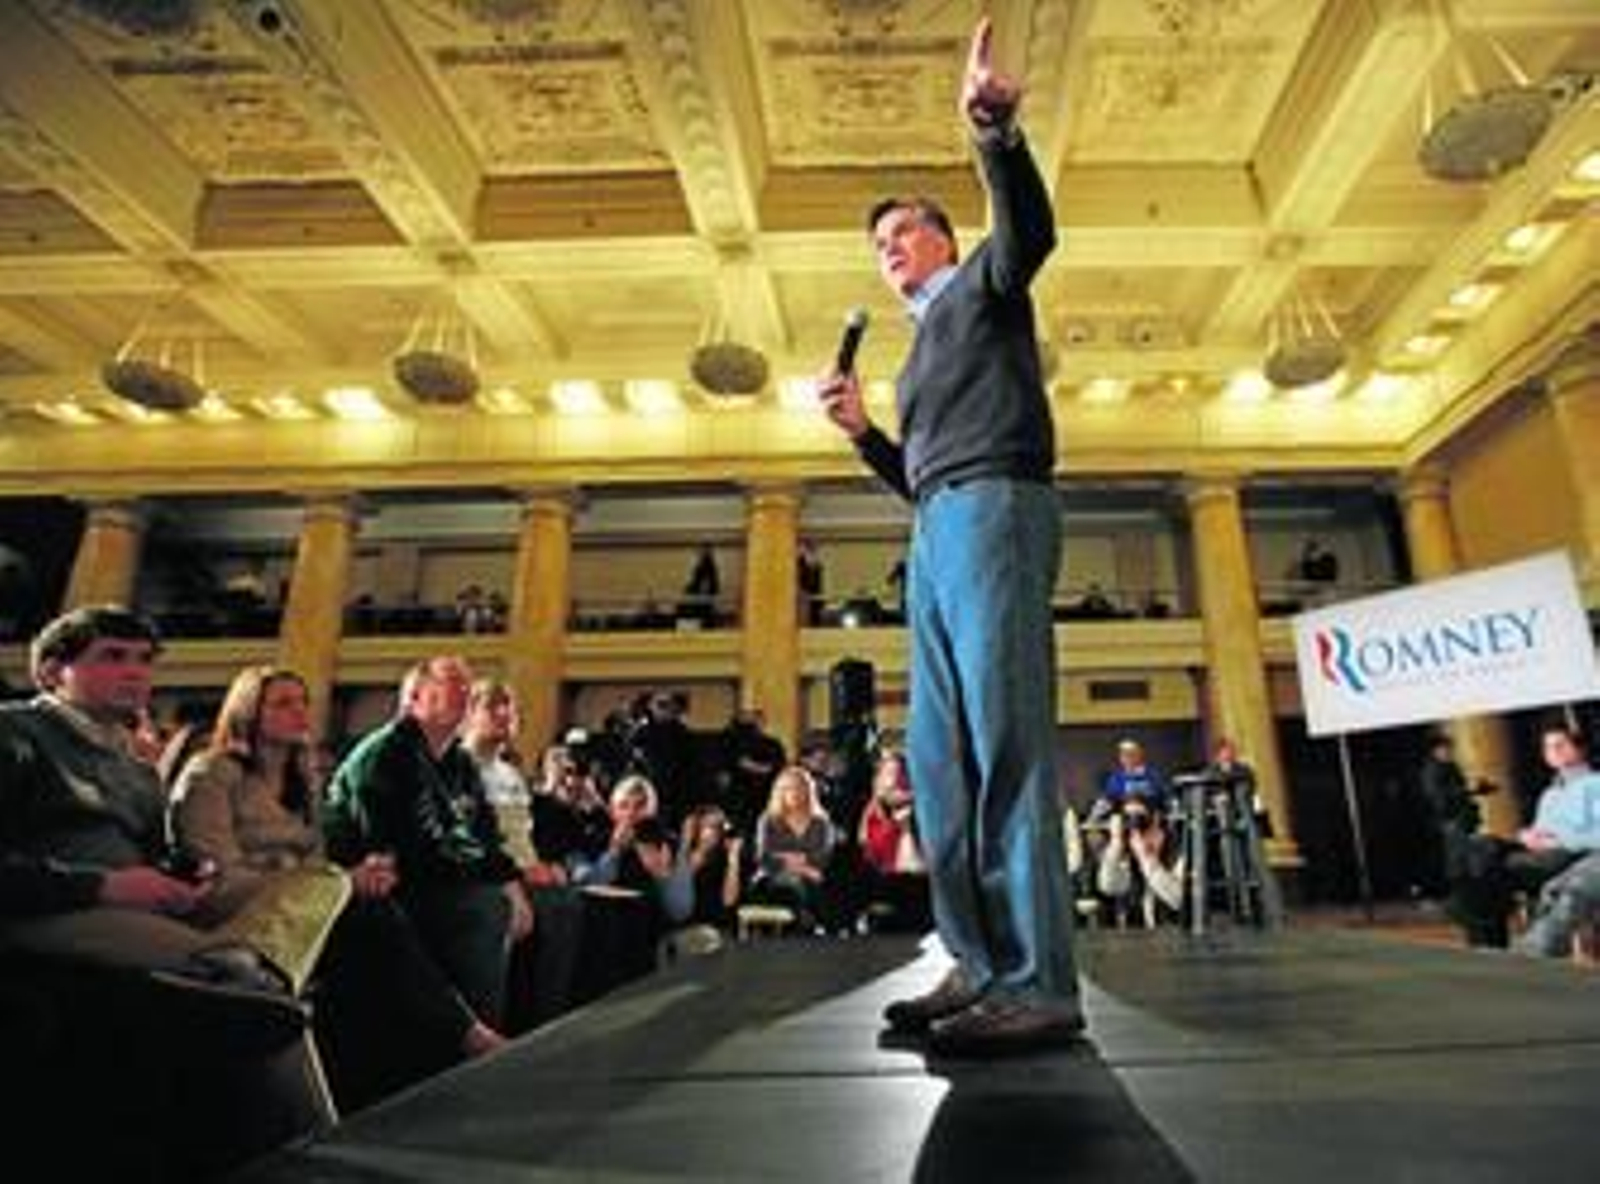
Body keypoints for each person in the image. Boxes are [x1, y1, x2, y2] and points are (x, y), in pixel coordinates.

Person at [816, 16, 1080, 1057]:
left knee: (1007, 741)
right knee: (940, 758)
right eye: (877, 246)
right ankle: (974, 960)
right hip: (935, 526)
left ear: (944, 241)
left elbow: (1030, 235)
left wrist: (993, 136)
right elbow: (921, 476)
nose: (888, 253)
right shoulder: (918, 352)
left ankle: (1038, 982)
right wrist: (864, 435)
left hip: (996, 511)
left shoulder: (984, 286)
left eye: (900, 235)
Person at [0, 606, 337, 1174]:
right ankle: (316, 1162)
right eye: (112, 657)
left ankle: (248, 963)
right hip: (52, 909)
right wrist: (103, 885)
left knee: (325, 882)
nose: (135, 672)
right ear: (52, 672)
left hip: (139, 909)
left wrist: (185, 876)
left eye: (144, 660)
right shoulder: (15, 732)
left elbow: (151, 856)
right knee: (258, 1000)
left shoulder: (135, 768)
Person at [168, 665, 506, 1108]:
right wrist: (335, 882)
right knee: (382, 916)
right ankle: (466, 1038)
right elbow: (215, 874)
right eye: (282, 703)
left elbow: (320, 863)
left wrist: (355, 876)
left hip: (306, 902)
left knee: (395, 910)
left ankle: (426, 1068)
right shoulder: (210, 772)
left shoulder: (301, 781)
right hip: (243, 905)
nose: (300, 712)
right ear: (247, 712)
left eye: (303, 702)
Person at [323, 655, 534, 1028]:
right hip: (385, 884)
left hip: (440, 874)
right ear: (415, 696)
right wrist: (491, 881)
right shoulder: (387, 753)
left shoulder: (459, 761)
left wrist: (511, 883)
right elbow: (409, 848)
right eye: (452, 682)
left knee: (558, 905)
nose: (465, 691)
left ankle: (536, 1030)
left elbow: (484, 835)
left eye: (467, 683)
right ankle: (479, 1040)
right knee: (485, 907)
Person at [1453, 723, 1600, 948]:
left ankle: (1489, 940)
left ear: (1580, 749)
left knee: (1488, 872)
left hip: (1572, 855)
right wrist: (1527, 836)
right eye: (1547, 747)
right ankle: (1486, 941)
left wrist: (1558, 841)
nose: (1553, 752)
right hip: (1540, 853)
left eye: (1560, 745)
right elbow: (1540, 830)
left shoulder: (1594, 784)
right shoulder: (1550, 794)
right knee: (1480, 852)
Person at [749, 766, 839, 932]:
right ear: (779, 792)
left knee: (815, 885)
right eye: (788, 788)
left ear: (808, 791)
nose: (794, 793)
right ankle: (802, 921)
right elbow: (763, 857)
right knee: (792, 884)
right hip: (771, 877)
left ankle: (807, 924)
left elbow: (823, 858)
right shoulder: (768, 820)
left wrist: (784, 857)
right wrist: (801, 865)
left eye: (799, 787)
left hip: (811, 879)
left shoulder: (821, 822)